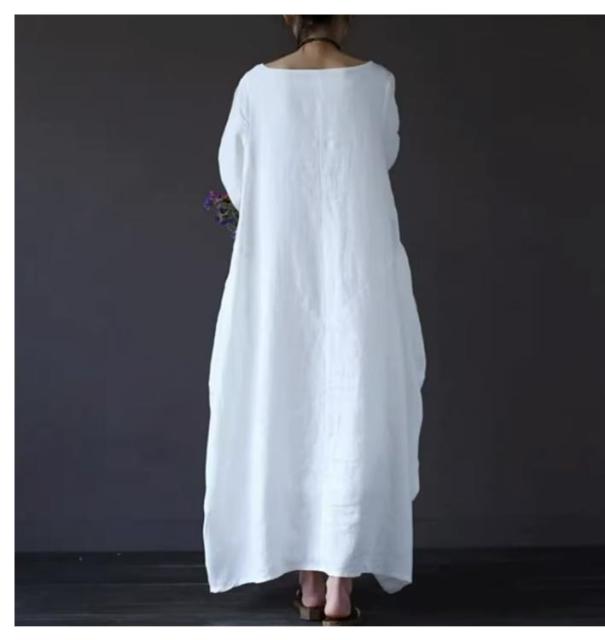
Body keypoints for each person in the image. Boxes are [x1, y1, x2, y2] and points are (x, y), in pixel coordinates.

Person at [203, 14, 427, 625]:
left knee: (287, 408)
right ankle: (339, 591)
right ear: (347, 15)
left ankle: (307, 581)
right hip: (358, 272)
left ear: (289, 16)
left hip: (280, 276)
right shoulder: (377, 82)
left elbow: (236, 176)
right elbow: (381, 156)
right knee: (352, 406)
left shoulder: (257, 85)